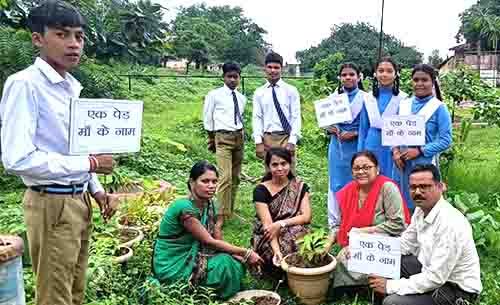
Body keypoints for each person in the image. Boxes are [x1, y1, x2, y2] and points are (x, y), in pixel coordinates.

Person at [0, 2, 118, 305]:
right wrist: (91, 163)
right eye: (62, 34)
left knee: (73, 291)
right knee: (55, 296)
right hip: (51, 203)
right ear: (37, 38)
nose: (73, 44)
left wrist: (96, 188)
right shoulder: (25, 85)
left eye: (79, 36)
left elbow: (71, 148)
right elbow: (17, 158)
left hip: (78, 200)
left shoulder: (69, 87)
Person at [368, 164, 482, 305]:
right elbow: (405, 244)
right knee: (388, 262)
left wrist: (390, 286)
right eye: (413, 187)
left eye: (424, 186)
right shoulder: (421, 210)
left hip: (454, 288)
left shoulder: (451, 223)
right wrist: (370, 251)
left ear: (440, 187)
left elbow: (435, 277)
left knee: (392, 302)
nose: (417, 192)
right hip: (430, 269)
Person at [152, 161, 263, 299]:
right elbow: (209, 242)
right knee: (225, 265)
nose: (211, 186)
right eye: (205, 181)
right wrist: (246, 253)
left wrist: (239, 255)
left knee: (235, 262)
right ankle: (207, 293)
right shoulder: (184, 208)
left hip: (195, 254)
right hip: (174, 263)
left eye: (214, 181)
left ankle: (219, 290)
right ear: (192, 182)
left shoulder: (209, 204)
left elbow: (217, 239)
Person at [325, 151, 410, 288]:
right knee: (344, 256)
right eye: (356, 168)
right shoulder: (349, 191)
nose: (361, 172)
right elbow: (340, 225)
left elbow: (398, 224)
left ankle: (371, 285)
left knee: (346, 259)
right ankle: (353, 286)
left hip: (386, 241)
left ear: (377, 169)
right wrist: (328, 243)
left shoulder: (387, 188)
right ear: (352, 172)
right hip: (357, 242)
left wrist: (363, 232)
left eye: (367, 167)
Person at [392, 64, 452, 211]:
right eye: (416, 80)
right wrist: (395, 151)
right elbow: (394, 132)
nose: (419, 84)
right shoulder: (403, 105)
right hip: (402, 164)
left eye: (424, 80)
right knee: (401, 201)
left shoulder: (439, 108)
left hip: (425, 163)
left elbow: (446, 140)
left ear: (433, 82)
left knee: (424, 202)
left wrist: (420, 151)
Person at [251, 147, 311, 278]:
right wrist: (277, 251)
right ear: (268, 167)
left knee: (298, 234)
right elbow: (268, 226)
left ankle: (298, 271)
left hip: (293, 229)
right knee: (276, 254)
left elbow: (306, 217)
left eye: (284, 163)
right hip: (268, 235)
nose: (280, 168)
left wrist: (281, 223)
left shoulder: (299, 187)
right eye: (275, 164)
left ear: (290, 164)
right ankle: (279, 267)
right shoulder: (261, 191)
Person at [327, 63, 370, 239]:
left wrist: (354, 133)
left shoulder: (367, 98)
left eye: (351, 74)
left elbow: (369, 126)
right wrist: (331, 129)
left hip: (357, 147)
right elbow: (326, 122)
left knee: (358, 182)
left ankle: (355, 220)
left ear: (359, 77)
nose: (348, 78)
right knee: (335, 182)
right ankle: (335, 223)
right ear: (340, 77)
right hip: (337, 147)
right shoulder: (334, 97)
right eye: (344, 75)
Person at [203, 62, 247, 226]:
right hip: (222, 138)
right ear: (224, 77)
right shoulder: (214, 95)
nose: (233, 80)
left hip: (239, 138)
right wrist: (211, 138)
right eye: (229, 76)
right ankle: (219, 216)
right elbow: (208, 118)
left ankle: (230, 211)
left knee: (235, 177)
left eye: (235, 77)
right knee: (225, 177)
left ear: (239, 78)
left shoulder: (242, 98)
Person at [359, 57, 407, 183]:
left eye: (389, 71)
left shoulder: (404, 99)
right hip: (371, 144)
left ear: (396, 74)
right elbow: (363, 129)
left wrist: (401, 151)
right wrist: (360, 153)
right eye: (381, 71)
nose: (384, 74)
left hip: (393, 148)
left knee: (392, 183)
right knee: (370, 182)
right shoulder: (368, 98)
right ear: (375, 74)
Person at [252, 52, 301, 170]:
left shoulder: (291, 91)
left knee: (289, 175)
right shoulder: (259, 92)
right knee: (270, 176)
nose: (272, 71)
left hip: (286, 137)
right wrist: (258, 142)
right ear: (265, 68)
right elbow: (257, 117)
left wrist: (292, 141)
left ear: (282, 69)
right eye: (270, 67)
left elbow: (296, 116)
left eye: (276, 67)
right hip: (268, 138)